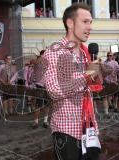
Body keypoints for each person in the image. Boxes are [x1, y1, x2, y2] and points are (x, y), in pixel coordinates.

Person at [42, 3, 100, 160]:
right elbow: (54, 90)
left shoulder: (84, 52)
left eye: (91, 22)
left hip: (88, 126)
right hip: (67, 130)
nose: (90, 27)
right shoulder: (55, 52)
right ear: (70, 23)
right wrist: (87, 75)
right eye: (85, 21)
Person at [31, 50, 50, 129]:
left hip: (47, 86)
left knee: (47, 105)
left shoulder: (48, 62)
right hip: (39, 86)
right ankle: (35, 122)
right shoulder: (37, 61)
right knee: (38, 105)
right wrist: (43, 56)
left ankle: (45, 121)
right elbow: (33, 62)